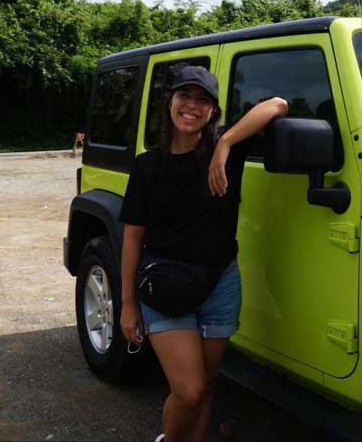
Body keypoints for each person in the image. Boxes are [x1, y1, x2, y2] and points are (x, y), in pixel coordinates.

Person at [118, 66, 288, 442]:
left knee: (208, 383)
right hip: (166, 287)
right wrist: (128, 304)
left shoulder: (227, 152)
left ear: (213, 110)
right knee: (189, 390)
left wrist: (225, 143)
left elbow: (278, 104)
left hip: (220, 283)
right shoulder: (147, 166)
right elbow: (132, 237)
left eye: (203, 100)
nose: (192, 107)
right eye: (185, 96)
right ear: (170, 102)